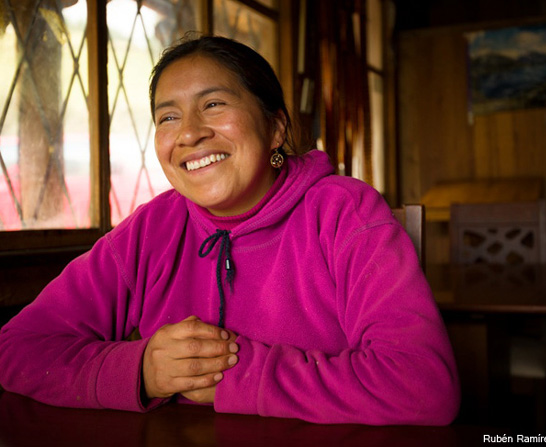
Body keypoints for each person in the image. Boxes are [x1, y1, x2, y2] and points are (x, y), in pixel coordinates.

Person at [0, 35, 460, 425]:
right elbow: (17, 348)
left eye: (214, 104)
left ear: (276, 127)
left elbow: (422, 382)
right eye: (168, 117)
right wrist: (139, 369)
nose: (190, 134)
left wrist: (234, 375)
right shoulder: (148, 231)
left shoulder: (344, 212)